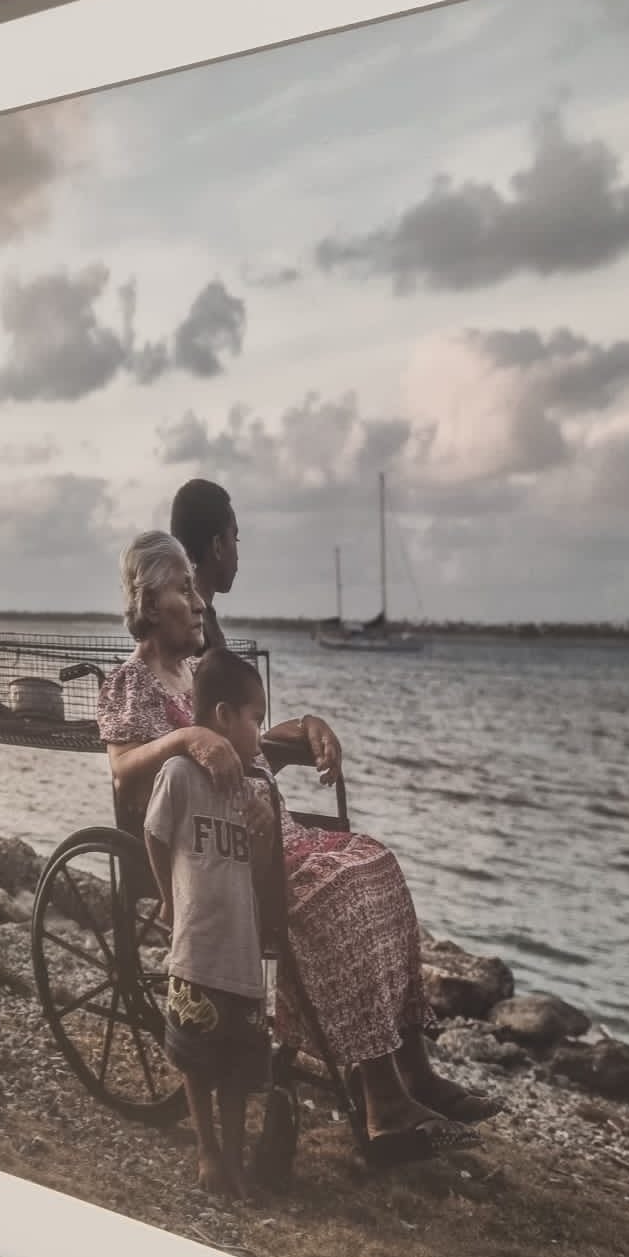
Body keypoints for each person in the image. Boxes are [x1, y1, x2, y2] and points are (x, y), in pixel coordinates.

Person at [99, 530, 496, 1159]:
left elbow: (249, 740)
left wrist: (307, 728)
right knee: (334, 896)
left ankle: (412, 1071)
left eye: (194, 589)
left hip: (262, 828)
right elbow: (123, 770)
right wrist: (185, 741)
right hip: (210, 850)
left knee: (376, 866)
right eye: (182, 590)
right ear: (149, 602)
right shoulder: (132, 684)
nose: (198, 602)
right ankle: (382, 1102)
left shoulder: (203, 673)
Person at [143, 648, 272, 1199]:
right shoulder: (179, 775)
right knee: (196, 1060)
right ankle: (207, 1149)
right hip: (197, 947)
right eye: (255, 720)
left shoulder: (256, 789)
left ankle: (236, 1159)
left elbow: (261, 869)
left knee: (239, 1068)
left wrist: (266, 828)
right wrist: (168, 898)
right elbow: (154, 834)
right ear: (223, 716)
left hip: (242, 955)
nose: (260, 735)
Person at [169, 477, 237, 653]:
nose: (237, 556)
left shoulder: (173, 621)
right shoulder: (196, 629)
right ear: (217, 546)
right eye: (235, 538)